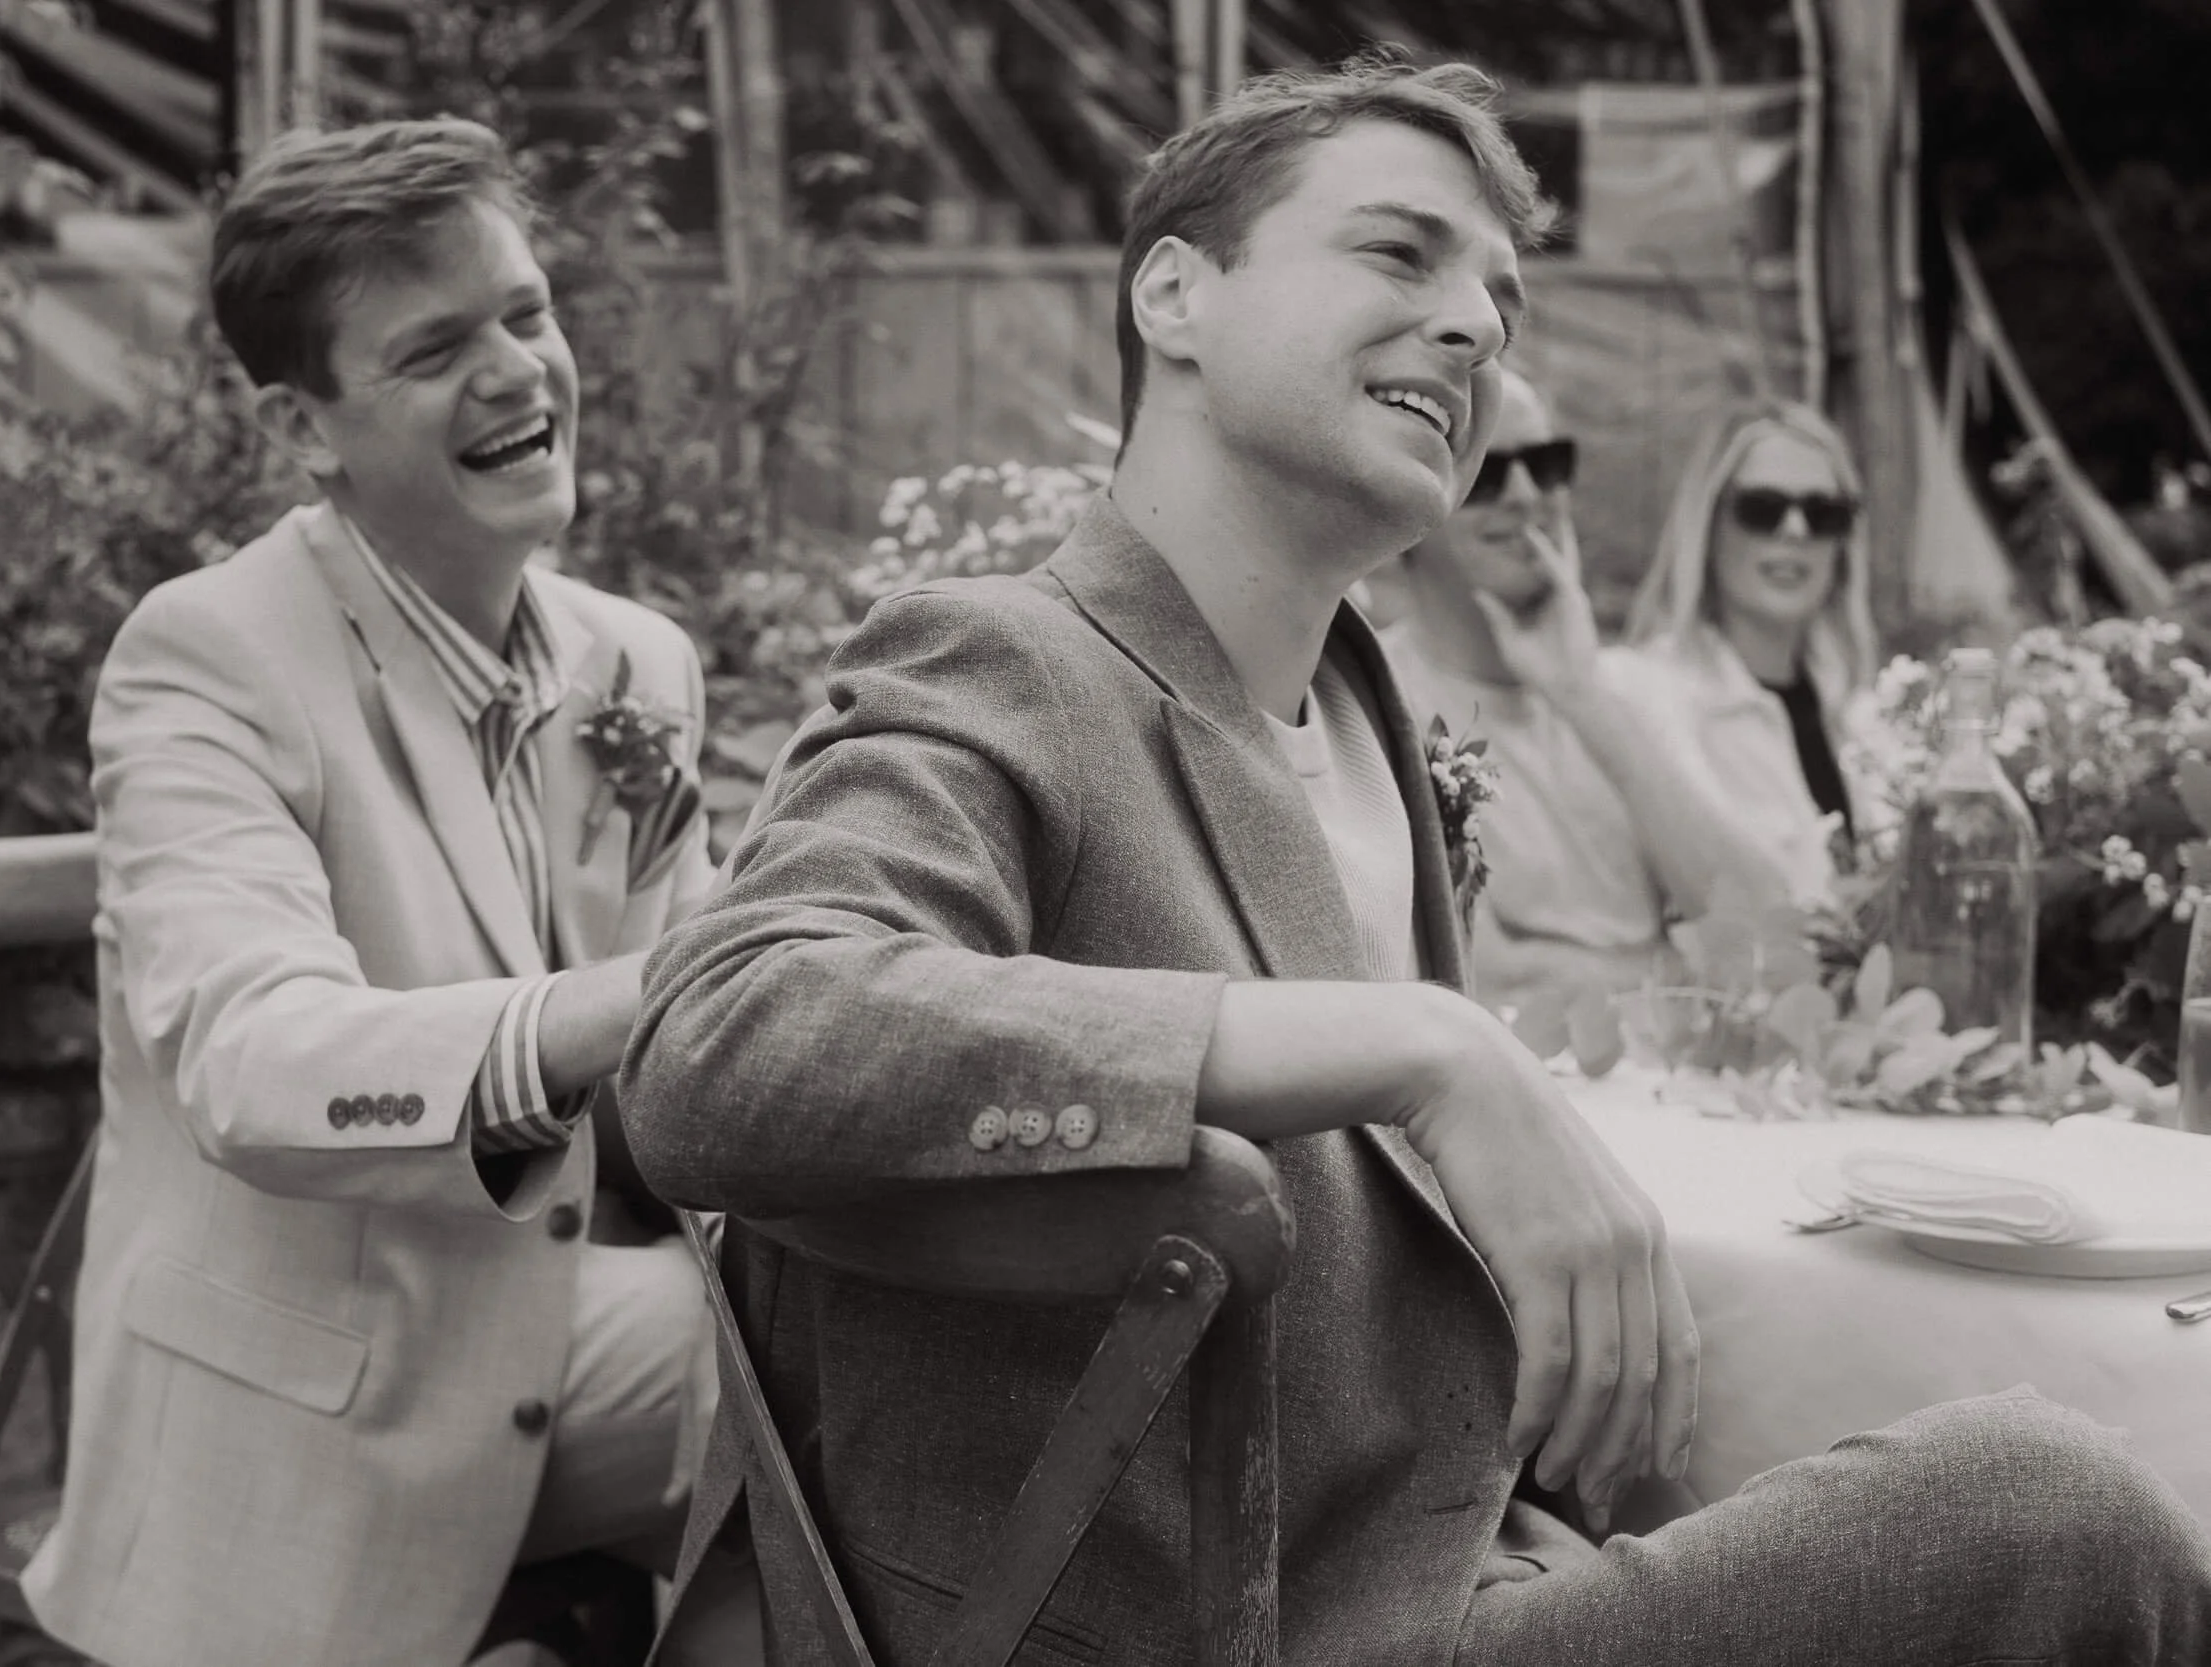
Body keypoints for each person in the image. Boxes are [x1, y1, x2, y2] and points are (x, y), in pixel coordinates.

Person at [621, 52, 2211, 1667]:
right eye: (1399, 253)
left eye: (1499, 298)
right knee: (2047, 1506)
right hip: (1233, 1622)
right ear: (1174, 292)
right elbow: (719, 1039)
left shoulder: (1369, 722)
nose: (1476, 326)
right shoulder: (1011, 660)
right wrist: (1431, 1044)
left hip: (1465, 1542)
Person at [22, 120, 753, 1667]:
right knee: (848, 1378)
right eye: (435, 348)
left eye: (527, 312)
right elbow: (254, 1065)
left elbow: (710, 1036)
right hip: (321, 1408)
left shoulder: (641, 661)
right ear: (304, 424)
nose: (515, 372)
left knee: (916, 1330)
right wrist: (632, 1003)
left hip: (589, 1317)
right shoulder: (207, 653)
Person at [1383, 368, 1789, 1007]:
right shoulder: (1376, 701)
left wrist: (1581, 696)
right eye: (1485, 470)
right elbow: (1475, 976)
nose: (1523, 494)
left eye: (1545, 464)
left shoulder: (1632, 690)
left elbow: (1769, 936)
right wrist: (1688, 975)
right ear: (1412, 503)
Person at [1615, 400, 1878, 897]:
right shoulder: (1650, 697)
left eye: (1823, 514)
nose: (1795, 531)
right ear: (1708, 526)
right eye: (1763, 508)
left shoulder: (1863, 716)